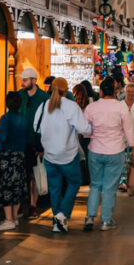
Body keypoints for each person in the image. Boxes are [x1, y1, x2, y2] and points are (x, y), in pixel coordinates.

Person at [34, 76, 91, 234]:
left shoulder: (44, 106)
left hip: (49, 155)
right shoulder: (71, 107)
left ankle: (57, 223)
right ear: (66, 90)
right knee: (74, 182)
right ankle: (63, 214)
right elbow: (84, 128)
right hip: (68, 155)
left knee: (55, 188)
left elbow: (36, 128)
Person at [84, 76, 134, 229]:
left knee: (95, 184)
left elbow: (86, 130)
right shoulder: (121, 107)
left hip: (95, 151)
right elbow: (129, 129)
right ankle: (106, 220)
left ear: (101, 91)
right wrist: (133, 147)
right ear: (115, 92)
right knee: (109, 186)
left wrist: (92, 134)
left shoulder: (91, 108)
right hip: (115, 151)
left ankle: (89, 217)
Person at [0, 90, 28, 232]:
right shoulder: (23, 118)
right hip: (20, 156)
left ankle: (8, 220)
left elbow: (2, 138)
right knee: (17, 186)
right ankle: (14, 217)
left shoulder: (5, 118)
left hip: (7, 157)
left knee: (6, 187)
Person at [18, 68, 47, 217]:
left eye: (25, 80)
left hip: (36, 142)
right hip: (20, 141)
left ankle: (33, 205)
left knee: (34, 175)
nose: (22, 83)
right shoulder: (20, 95)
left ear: (34, 80)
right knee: (21, 175)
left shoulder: (44, 97)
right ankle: (20, 205)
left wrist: (43, 146)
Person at [73, 83, 92, 185]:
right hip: (88, 133)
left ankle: (82, 178)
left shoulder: (74, 104)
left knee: (80, 157)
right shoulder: (90, 101)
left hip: (78, 134)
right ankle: (88, 178)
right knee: (88, 157)